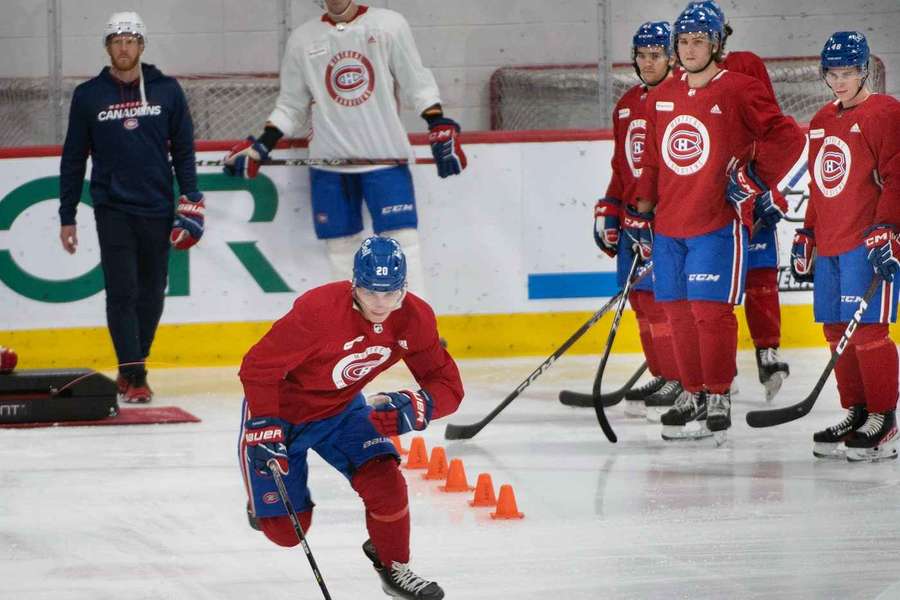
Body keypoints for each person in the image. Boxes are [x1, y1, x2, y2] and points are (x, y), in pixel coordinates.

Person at [238, 235, 463, 599]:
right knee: (286, 533)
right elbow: (257, 368)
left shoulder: (415, 319)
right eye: (370, 291)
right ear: (354, 283)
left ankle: (393, 564)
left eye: (390, 292)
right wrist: (263, 426)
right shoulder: (318, 311)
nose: (380, 302)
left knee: (387, 484)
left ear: (403, 288)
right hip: (284, 415)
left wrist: (414, 407)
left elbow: (448, 386)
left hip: (342, 409)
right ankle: (259, 501)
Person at [630, 5, 804, 441]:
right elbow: (652, 158)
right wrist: (641, 211)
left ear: (716, 45)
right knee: (676, 313)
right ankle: (691, 393)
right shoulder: (662, 96)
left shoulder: (740, 89)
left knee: (710, 313)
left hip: (717, 222)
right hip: (669, 225)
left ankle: (718, 394)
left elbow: (787, 136)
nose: (690, 50)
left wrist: (755, 179)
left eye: (698, 42)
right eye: (683, 43)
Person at [222, 0, 466, 305]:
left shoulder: (389, 25)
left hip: (385, 159)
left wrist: (437, 122)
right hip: (329, 165)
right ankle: (351, 328)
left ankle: (417, 329)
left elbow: (416, 80)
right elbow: (291, 105)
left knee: (403, 244)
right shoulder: (303, 39)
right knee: (340, 250)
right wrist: (262, 146)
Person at [58, 12, 204, 404]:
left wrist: (191, 198)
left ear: (142, 45)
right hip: (112, 208)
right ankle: (134, 373)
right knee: (122, 291)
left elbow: (185, 150)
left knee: (153, 291)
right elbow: (73, 158)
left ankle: (133, 362)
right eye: (116, 41)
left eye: (130, 41)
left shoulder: (167, 91)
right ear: (108, 47)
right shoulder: (89, 95)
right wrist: (67, 215)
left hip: (157, 206)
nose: (123, 48)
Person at [791, 32, 900, 462]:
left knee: (869, 332)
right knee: (837, 331)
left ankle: (884, 418)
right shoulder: (820, 120)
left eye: (848, 73)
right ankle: (856, 411)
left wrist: (889, 226)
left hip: (867, 241)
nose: (839, 82)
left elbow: (897, 176)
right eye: (832, 74)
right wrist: (808, 232)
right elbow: (820, 186)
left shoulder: (886, 113)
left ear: (864, 71)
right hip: (832, 242)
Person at [685, 0, 792, 401]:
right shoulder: (685, 77)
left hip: (748, 188)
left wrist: (768, 187)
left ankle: (767, 350)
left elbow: (775, 131)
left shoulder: (747, 66)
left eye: (706, 37)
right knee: (706, 293)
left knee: (761, 274)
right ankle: (703, 374)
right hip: (708, 200)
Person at [594, 21, 683, 420]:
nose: (648, 63)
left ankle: (680, 378)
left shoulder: (681, 98)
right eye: (642, 55)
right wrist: (610, 206)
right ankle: (664, 373)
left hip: (664, 222)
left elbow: (681, 167)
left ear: (671, 57)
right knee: (642, 304)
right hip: (632, 222)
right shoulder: (627, 105)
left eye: (656, 55)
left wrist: (656, 216)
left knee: (668, 305)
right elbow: (622, 166)